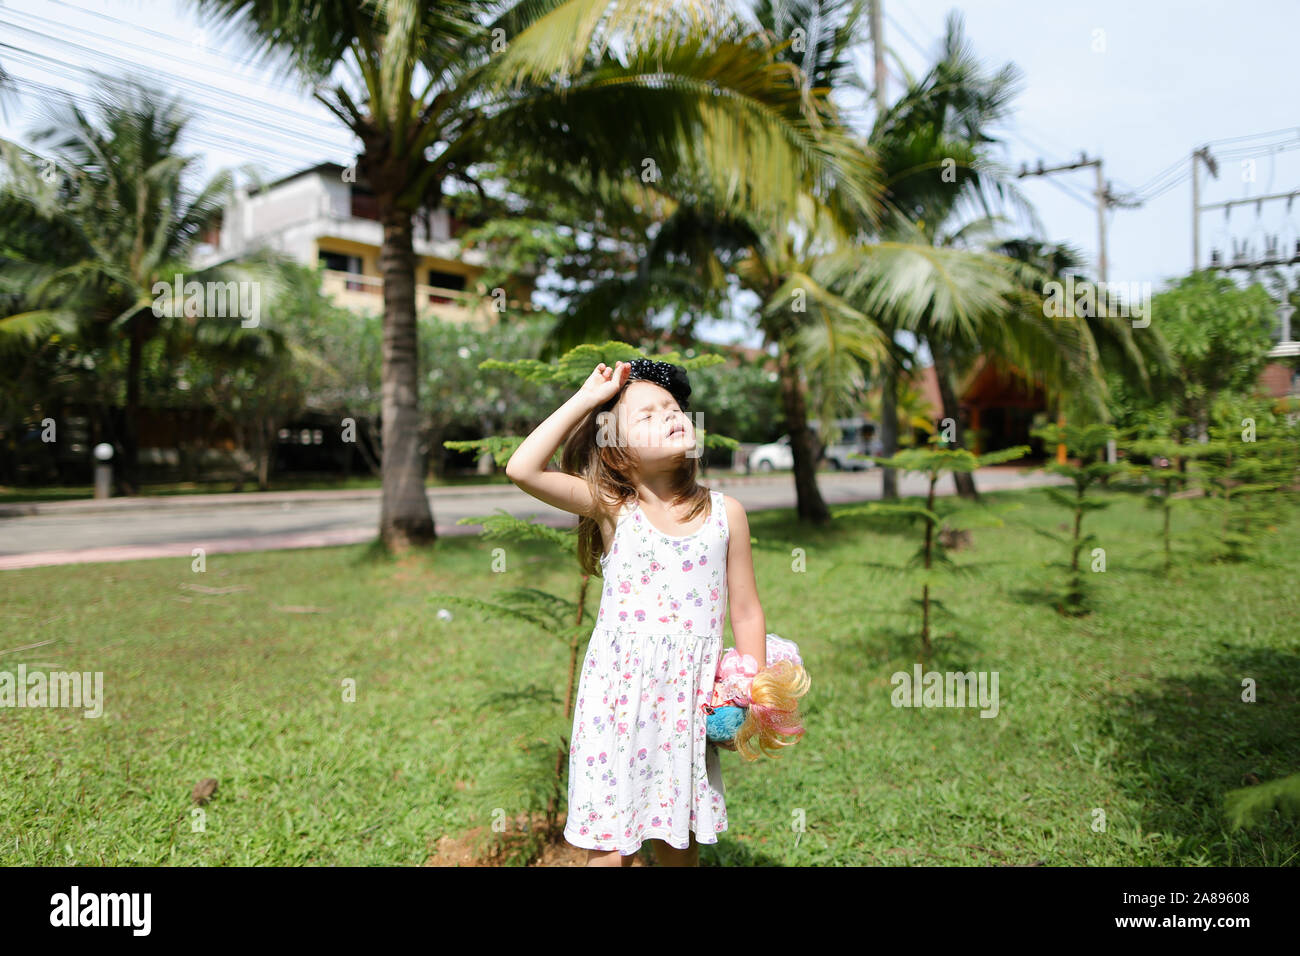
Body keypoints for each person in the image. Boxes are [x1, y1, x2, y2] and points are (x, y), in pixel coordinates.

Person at [504, 358, 767, 867]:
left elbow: (748, 610)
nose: (669, 415)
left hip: (689, 704)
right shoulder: (612, 507)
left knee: (677, 840)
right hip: (618, 703)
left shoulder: (726, 513)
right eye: (646, 415)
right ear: (617, 450)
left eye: (673, 408)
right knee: (610, 845)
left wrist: (746, 688)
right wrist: (586, 399)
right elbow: (523, 468)